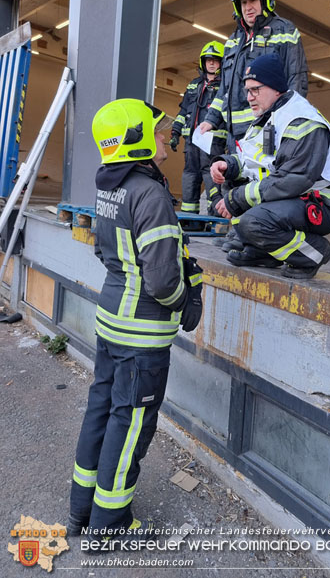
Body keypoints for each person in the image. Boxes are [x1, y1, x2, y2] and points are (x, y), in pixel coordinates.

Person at [68, 99, 203, 543]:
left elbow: (104, 251)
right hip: (141, 333)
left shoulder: (109, 185)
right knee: (130, 427)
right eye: (160, 134)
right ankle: (109, 527)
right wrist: (187, 298)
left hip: (111, 322)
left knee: (102, 412)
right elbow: (163, 279)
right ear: (137, 140)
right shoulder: (149, 193)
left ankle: (81, 510)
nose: (166, 142)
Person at [210, 54, 330, 280]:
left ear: (275, 87)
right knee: (232, 181)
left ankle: (312, 254)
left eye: (255, 90)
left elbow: (293, 178)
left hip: (323, 202)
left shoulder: (302, 119)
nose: (249, 98)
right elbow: (255, 159)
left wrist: (236, 199)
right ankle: (265, 251)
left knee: (255, 221)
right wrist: (228, 165)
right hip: (298, 196)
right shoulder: (271, 116)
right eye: (247, 91)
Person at [199, 0, 308, 153]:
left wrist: (287, 123)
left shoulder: (284, 31)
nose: (247, 7)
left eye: (252, 0)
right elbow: (224, 89)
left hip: (267, 129)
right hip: (235, 135)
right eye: (242, 3)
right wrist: (211, 119)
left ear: (265, 0)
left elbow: (296, 79)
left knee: (262, 182)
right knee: (233, 179)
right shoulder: (233, 41)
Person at [170, 41, 227, 215]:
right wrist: (175, 132)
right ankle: (189, 218)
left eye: (215, 60)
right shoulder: (193, 85)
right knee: (190, 176)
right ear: (203, 62)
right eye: (208, 59)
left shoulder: (225, 86)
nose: (211, 63)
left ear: (221, 63)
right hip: (191, 142)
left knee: (211, 176)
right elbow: (183, 110)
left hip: (213, 142)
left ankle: (215, 217)